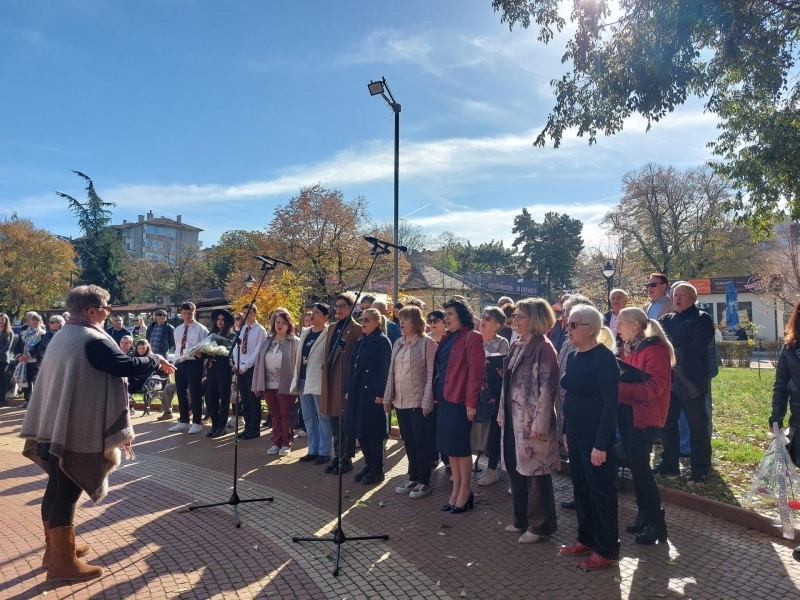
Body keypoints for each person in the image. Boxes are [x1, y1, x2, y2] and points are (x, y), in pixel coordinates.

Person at [20, 285, 174, 582]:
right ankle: (62, 566)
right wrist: (155, 360)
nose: (109, 311)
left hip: (52, 426)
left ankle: (56, 551)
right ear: (92, 311)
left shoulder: (65, 334)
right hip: (75, 429)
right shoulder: (91, 339)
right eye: (107, 307)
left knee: (55, 485)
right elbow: (125, 365)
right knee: (67, 490)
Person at [559, 304, 620, 569]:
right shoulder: (573, 356)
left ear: (590, 328)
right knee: (581, 487)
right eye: (567, 324)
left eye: (573, 325)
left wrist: (600, 444)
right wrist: (565, 431)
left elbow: (611, 405)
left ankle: (607, 549)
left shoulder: (604, 359)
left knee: (601, 492)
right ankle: (586, 538)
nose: (567, 329)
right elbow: (570, 394)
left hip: (596, 437)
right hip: (574, 433)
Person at [499, 298, 560, 543]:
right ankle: (521, 519)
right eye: (515, 316)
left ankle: (540, 526)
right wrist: (502, 414)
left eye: (521, 316)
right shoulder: (518, 344)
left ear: (535, 319)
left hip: (532, 422)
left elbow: (548, 388)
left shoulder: (543, 347)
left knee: (536, 474)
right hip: (514, 418)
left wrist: (540, 423)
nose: (515, 321)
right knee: (517, 470)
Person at [616, 307, 674, 544]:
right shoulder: (628, 348)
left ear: (635, 325)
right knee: (635, 466)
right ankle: (643, 513)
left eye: (620, 323)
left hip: (644, 417)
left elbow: (651, 390)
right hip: (627, 413)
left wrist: (616, 386)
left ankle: (657, 522)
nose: (616, 328)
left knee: (641, 469)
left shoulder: (655, 350)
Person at [655, 283, 715, 484]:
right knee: (667, 425)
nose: (678, 299)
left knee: (697, 427)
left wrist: (672, 353)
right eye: (675, 295)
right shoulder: (666, 319)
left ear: (693, 298)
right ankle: (669, 464)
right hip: (669, 382)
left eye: (682, 295)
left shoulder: (702, 318)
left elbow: (696, 347)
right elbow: (656, 343)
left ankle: (700, 470)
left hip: (692, 383)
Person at [434, 298, 484, 514]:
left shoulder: (472, 337)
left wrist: (471, 402)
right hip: (445, 399)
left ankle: (465, 491)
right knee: (450, 448)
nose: (447, 318)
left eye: (451, 314)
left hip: (461, 401)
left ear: (462, 316)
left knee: (461, 448)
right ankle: (456, 490)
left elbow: (476, 373)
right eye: (446, 315)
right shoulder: (448, 338)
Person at [383, 305, 437, 498]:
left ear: (416, 322)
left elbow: (432, 374)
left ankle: (424, 481)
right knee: (408, 440)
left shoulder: (427, 343)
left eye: (405, 319)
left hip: (418, 402)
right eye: (400, 319)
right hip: (400, 401)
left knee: (421, 442)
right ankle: (413, 477)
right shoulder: (397, 342)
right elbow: (391, 372)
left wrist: (427, 401)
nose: (401, 322)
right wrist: (388, 397)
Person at [344, 308, 392, 484]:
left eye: (367, 319)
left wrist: (381, 392)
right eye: (362, 319)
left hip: (372, 394)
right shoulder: (361, 341)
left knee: (373, 432)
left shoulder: (382, 342)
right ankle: (368, 463)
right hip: (358, 393)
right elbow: (353, 368)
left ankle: (377, 468)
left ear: (377, 322)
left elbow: (386, 369)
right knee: (360, 430)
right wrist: (348, 388)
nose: (363, 323)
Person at [321, 292, 362, 474]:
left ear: (351, 308)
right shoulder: (332, 328)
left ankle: (346, 458)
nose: (338, 310)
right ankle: (336, 456)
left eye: (342, 306)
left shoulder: (357, 329)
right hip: (330, 380)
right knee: (334, 420)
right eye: (336, 306)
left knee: (345, 422)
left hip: (344, 381)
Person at [253, 309, 300, 456]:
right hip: (268, 384)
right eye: (277, 322)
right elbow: (258, 363)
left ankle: (286, 443)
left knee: (285, 414)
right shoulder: (267, 341)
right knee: (274, 414)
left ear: (289, 325)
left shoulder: (294, 342)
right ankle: (276, 442)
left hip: (286, 384)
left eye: (283, 323)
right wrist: (256, 384)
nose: (279, 325)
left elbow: (298, 365)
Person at [291, 303, 333, 464]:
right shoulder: (306, 332)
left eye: (317, 313)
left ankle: (324, 451)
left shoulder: (328, 333)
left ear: (325, 317)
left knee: (322, 415)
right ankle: (313, 449)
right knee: (308, 416)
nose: (313, 315)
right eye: (312, 312)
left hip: (318, 379)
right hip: (302, 379)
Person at [477, 306, 510, 487]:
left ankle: (491, 469)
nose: (483, 320)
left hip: (495, 392)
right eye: (483, 316)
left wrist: (499, 369)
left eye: (488, 319)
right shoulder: (474, 340)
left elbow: (504, 369)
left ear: (497, 325)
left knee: (494, 431)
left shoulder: (502, 342)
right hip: (475, 391)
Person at [168, 302, 210, 435]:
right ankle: (184, 421)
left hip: (194, 363)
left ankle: (197, 422)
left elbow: (206, 348)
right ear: (181, 313)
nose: (187, 316)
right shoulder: (178, 329)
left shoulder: (201, 329)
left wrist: (204, 367)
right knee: (181, 392)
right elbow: (178, 345)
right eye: (185, 313)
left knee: (195, 392)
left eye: (190, 313)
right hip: (180, 362)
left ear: (194, 313)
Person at [230, 303, 267, 440]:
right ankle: (247, 427)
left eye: (249, 313)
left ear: (255, 314)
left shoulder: (260, 330)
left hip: (252, 369)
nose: (246, 316)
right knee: (244, 399)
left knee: (253, 400)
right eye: (244, 313)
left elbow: (258, 351)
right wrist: (238, 364)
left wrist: (245, 366)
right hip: (241, 368)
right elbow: (236, 348)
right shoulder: (242, 329)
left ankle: (255, 429)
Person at [203, 309, 236, 438]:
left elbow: (229, 353)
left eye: (222, 319)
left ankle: (222, 426)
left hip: (223, 369)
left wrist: (215, 352)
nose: (220, 322)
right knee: (212, 397)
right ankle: (214, 425)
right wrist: (201, 352)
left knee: (224, 398)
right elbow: (205, 352)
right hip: (212, 368)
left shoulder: (231, 335)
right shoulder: (211, 334)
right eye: (218, 319)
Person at [146, 309, 176, 420]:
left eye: (164, 315)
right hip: (152, 358)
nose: (162, 316)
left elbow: (172, 342)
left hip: (164, 358)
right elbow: (147, 339)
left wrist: (165, 352)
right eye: (160, 315)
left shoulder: (169, 328)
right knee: (152, 381)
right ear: (155, 316)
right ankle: (154, 404)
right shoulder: (151, 327)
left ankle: (167, 410)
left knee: (167, 383)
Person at [14, 312, 45, 409]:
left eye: (37, 320)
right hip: (24, 361)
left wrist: (29, 354)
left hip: (35, 361)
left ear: (40, 322)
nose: (35, 322)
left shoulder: (42, 334)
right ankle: (27, 400)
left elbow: (40, 347)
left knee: (36, 381)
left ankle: (38, 402)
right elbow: (17, 346)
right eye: (33, 320)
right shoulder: (24, 333)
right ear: (29, 322)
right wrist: (19, 356)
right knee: (25, 381)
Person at [0, 313, 11, 406]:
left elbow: (7, 346)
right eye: (0, 319)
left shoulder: (8, 332)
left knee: (2, 379)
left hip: (3, 359)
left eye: (3, 319)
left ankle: (2, 399)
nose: (1, 321)